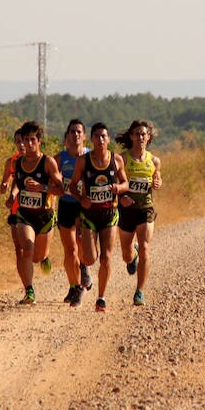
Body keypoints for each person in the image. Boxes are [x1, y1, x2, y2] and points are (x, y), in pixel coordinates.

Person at [68, 122, 128, 312]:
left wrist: (119, 188)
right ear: (92, 139)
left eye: (104, 136)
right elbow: (72, 185)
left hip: (110, 214)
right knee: (91, 258)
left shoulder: (116, 160)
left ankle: (101, 298)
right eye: (97, 136)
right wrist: (81, 198)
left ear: (108, 139)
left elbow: (126, 183)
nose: (101, 140)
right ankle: (85, 271)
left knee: (106, 257)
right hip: (89, 216)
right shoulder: (83, 161)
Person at [11, 121, 62, 305]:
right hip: (25, 214)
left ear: (39, 141)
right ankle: (29, 291)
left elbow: (61, 189)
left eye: (33, 140)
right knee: (26, 249)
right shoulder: (18, 162)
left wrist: (43, 188)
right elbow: (18, 182)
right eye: (26, 140)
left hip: (45, 216)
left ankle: (45, 258)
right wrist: (12, 195)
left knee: (38, 256)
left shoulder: (47, 162)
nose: (29, 144)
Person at [115, 120, 162, 306]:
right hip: (126, 209)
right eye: (137, 134)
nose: (141, 137)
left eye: (144, 134)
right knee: (126, 255)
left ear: (148, 137)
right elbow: (114, 184)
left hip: (145, 208)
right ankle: (131, 253)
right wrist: (121, 197)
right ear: (131, 136)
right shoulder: (122, 159)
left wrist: (158, 183)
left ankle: (139, 291)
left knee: (145, 247)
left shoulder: (154, 160)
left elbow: (157, 178)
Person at [52, 119, 93, 307]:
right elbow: (49, 178)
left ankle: (83, 267)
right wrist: (55, 186)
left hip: (84, 206)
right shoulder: (59, 158)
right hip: (66, 205)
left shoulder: (90, 157)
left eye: (79, 132)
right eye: (72, 132)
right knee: (70, 250)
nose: (75, 135)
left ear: (84, 136)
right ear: (67, 136)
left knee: (81, 248)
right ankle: (75, 287)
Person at [0, 129, 26, 269]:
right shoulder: (12, 162)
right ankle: (27, 285)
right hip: (16, 209)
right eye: (18, 142)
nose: (21, 144)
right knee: (18, 248)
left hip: (35, 210)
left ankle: (42, 256)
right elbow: (5, 181)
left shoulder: (39, 161)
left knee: (33, 250)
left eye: (23, 140)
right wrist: (4, 186)